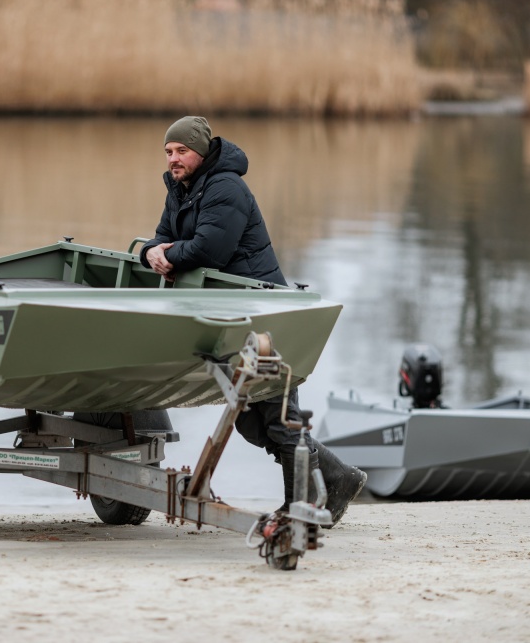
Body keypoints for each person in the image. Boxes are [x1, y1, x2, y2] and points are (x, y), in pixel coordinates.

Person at [139, 116, 367, 527]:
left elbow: (210, 249)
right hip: (230, 312)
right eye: (169, 152)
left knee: (277, 416)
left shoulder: (226, 187)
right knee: (252, 422)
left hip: (261, 309)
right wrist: (149, 254)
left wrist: (169, 256)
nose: (173, 159)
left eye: (181, 151)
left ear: (201, 152)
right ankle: (337, 478)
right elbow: (161, 236)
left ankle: (302, 505)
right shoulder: (181, 188)